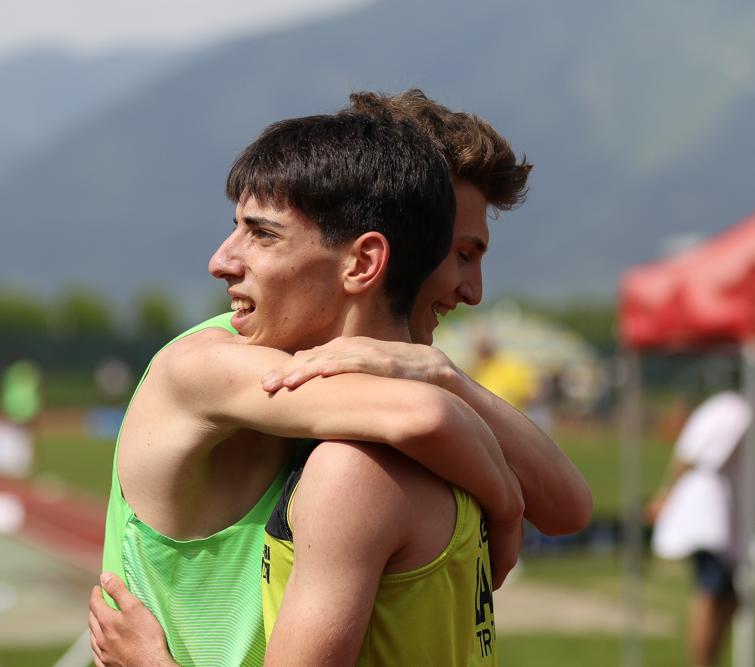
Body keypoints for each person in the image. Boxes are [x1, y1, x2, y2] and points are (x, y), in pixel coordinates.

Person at [90, 95, 591, 666]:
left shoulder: (393, 409)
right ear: (379, 252)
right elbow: (425, 418)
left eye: (262, 233)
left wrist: (445, 376)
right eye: (458, 252)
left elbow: (567, 508)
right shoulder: (223, 363)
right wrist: (504, 506)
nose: (472, 289)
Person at [645, 390, 752, 667]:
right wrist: (665, 495)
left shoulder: (731, 408)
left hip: (715, 515)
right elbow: (689, 454)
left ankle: (708, 660)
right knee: (712, 591)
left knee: (728, 595)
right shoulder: (735, 410)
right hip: (707, 517)